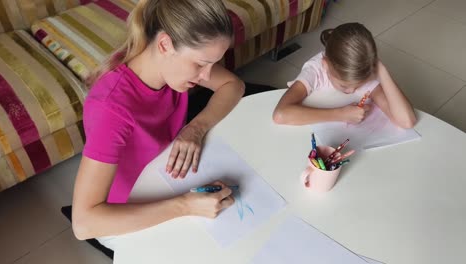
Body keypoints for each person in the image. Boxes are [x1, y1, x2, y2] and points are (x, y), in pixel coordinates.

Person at [71, 0, 245, 245]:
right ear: (165, 44)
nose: (207, 75)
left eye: (212, 64)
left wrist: (195, 128)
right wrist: (184, 206)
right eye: (200, 64)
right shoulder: (111, 109)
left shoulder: (165, 65)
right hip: (126, 212)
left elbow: (234, 86)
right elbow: (83, 223)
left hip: (165, 177)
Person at [273, 22, 416, 128]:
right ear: (325, 64)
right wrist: (341, 114)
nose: (351, 91)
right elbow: (280, 114)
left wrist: (382, 70)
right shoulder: (316, 70)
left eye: (357, 86)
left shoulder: (365, 72)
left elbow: (406, 122)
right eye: (344, 85)